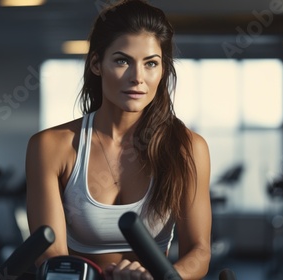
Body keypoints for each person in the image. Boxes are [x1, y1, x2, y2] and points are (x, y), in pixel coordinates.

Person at [25, 0, 212, 279]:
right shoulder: (52, 147)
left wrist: (158, 278)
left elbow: (199, 251)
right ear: (97, 64)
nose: (138, 78)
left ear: (162, 70)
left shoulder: (188, 148)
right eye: (122, 61)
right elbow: (50, 254)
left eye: (151, 63)